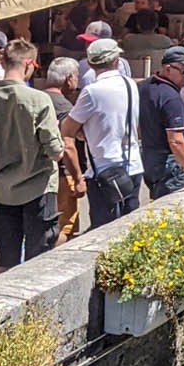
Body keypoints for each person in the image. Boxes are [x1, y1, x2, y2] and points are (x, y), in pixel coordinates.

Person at [0, 40, 73, 267]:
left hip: (0, 192)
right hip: (37, 190)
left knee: (5, 260)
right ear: (29, 64)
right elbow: (57, 152)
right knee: (38, 260)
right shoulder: (38, 100)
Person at [63, 40, 143, 228]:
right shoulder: (129, 84)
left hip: (104, 170)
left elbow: (67, 129)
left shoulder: (92, 92)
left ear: (90, 64)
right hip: (132, 165)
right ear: (117, 60)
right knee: (131, 228)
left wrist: (83, 133)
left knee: (104, 230)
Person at [137, 47, 184, 200]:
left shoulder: (144, 86)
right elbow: (176, 140)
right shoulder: (170, 98)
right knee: (172, 207)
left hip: (149, 155)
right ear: (168, 69)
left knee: (155, 200)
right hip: (169, 162)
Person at [42, 57, 83, 241]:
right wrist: (78, 178)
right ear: (68, 79)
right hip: (62, 174)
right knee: (65, 230)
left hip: (38, 173)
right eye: (76, 76)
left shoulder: (37, 98)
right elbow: (68, 145)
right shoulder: (65, 107)